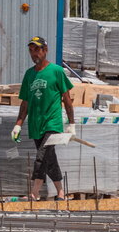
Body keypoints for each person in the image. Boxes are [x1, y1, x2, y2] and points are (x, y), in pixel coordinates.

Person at [13, 35, 74, 201]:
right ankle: (61, 192)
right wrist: (18, 124)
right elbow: (25, 103)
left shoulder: (56, 71)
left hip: (52, 123)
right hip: (35, 124)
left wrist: (71, 123)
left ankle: (35, 193)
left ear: (45, 50)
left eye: (38, 50)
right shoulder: (29, 75)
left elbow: (67, 99)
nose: (34, 54)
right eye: (31, 50)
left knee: (41, 157)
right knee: (49, 159)